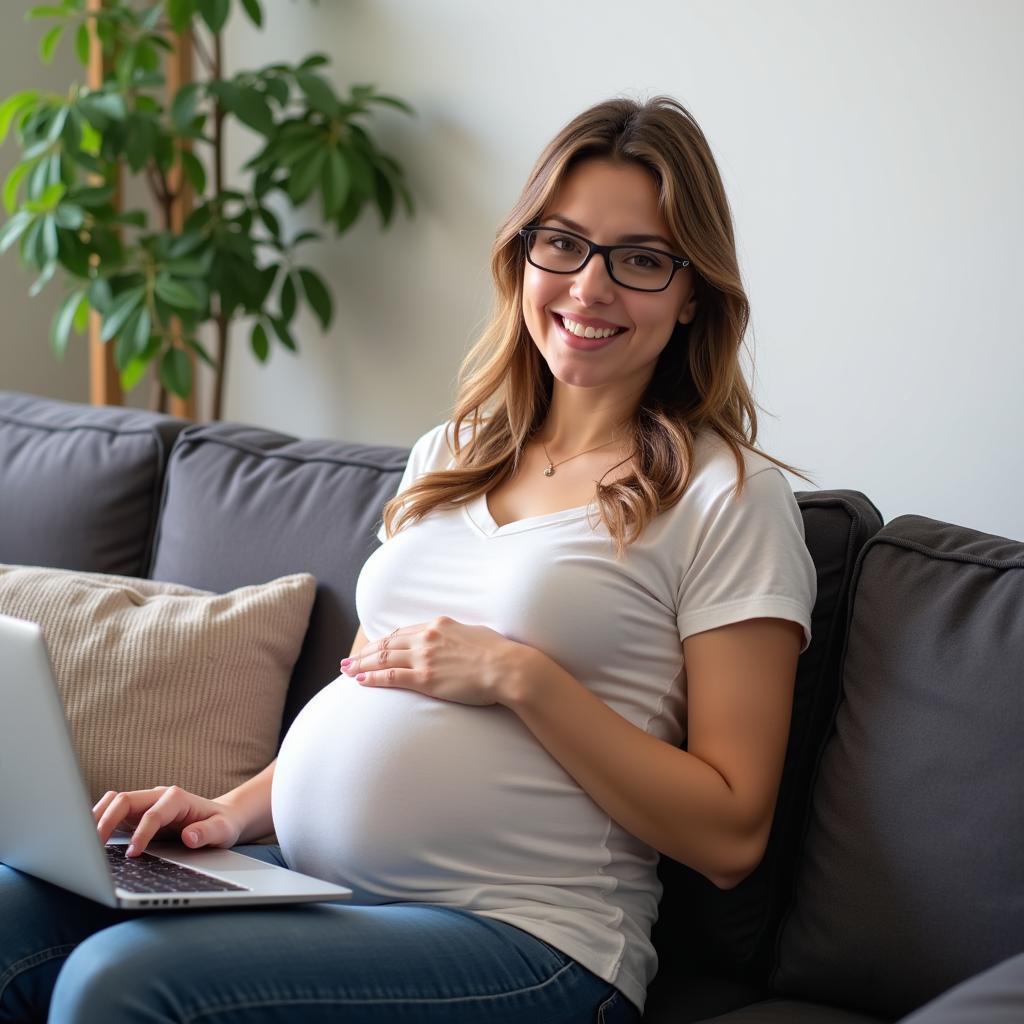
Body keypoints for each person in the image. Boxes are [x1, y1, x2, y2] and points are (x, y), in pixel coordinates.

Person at [0, 95, 817, 1024]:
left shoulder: (730, 498)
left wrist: (522, 678)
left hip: (532, 937)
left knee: (122, 983)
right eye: (563, 244)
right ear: (521, 257)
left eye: (638, 261)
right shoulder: (453, 450)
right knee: (7, 908)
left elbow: (731, 831)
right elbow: (378, 685)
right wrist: (230, 812)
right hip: (311, 884)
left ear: (692, 293)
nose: (589, 288)